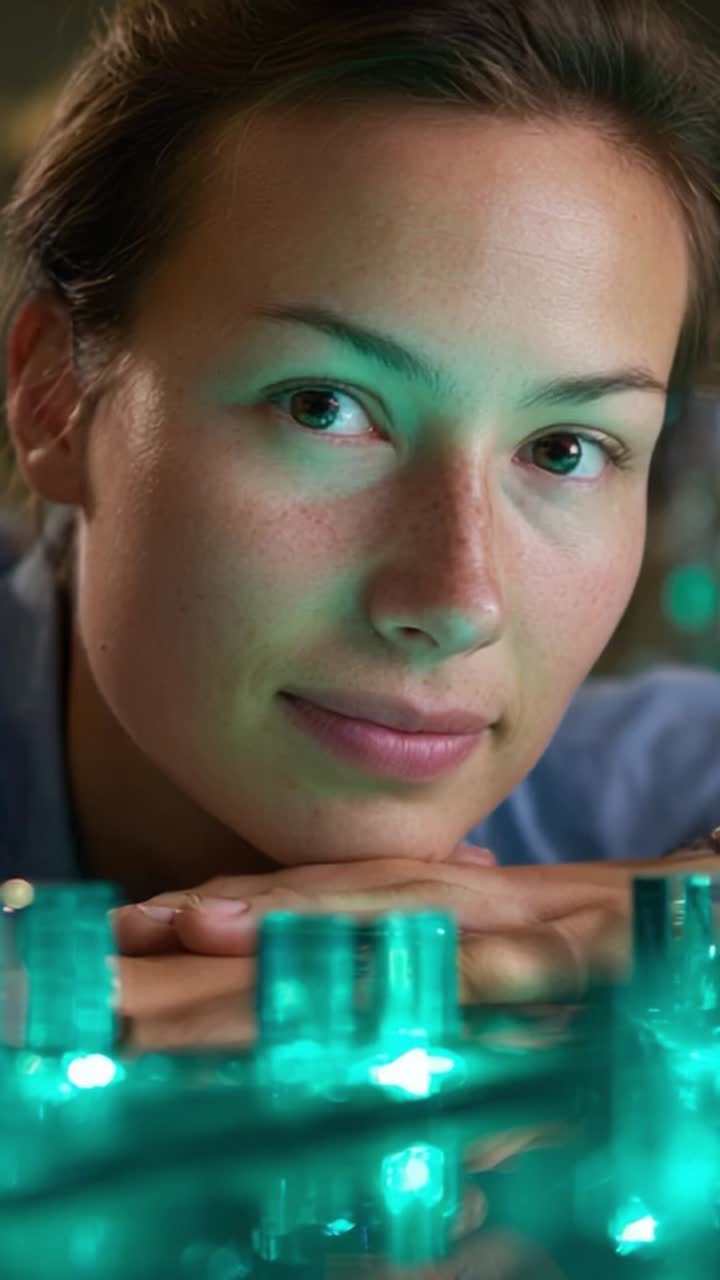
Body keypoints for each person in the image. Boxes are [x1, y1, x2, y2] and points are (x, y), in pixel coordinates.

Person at [2, 0, 720, 1045]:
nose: (456, 600)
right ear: (55, 400)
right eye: (324, 407)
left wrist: (660, 921)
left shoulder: (645, 796)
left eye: (564, 448)